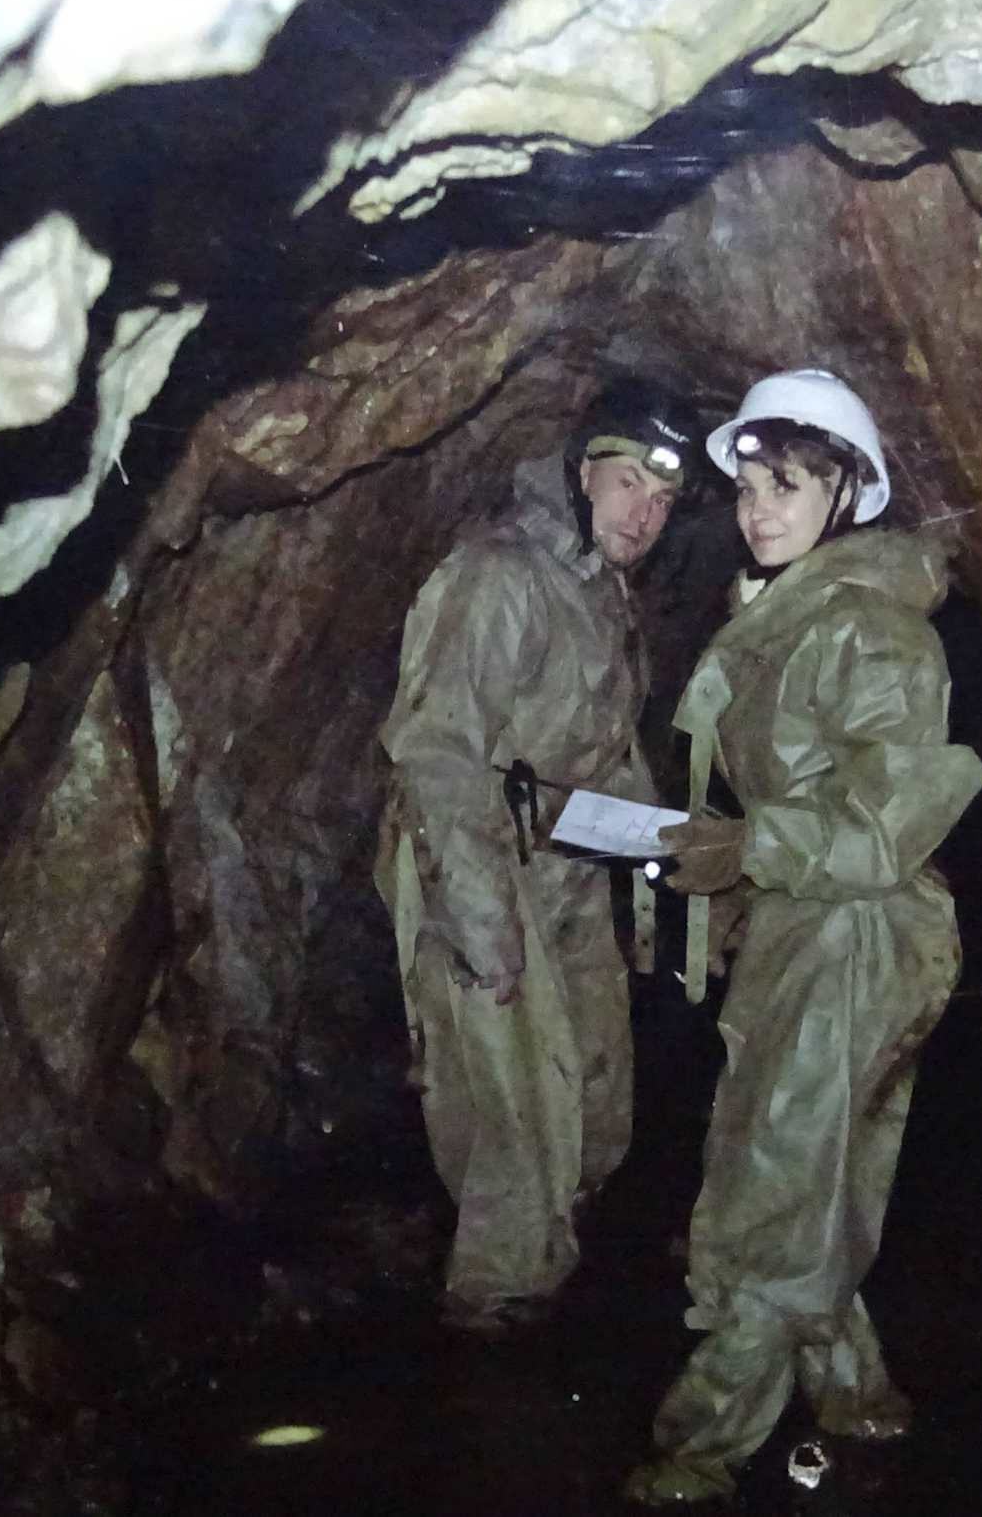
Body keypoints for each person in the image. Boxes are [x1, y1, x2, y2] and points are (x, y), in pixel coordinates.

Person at [626, 368, 982, 1503]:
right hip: (810, 923)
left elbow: (885, 824)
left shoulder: (874, 633)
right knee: (811, 1169)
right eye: (749, 487)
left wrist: (751, 848)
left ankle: (703, 1444)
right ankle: (855, 1392)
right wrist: (738, 882)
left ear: (846, 494)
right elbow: (794, 800)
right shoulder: (788, 618)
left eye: (785, 485)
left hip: (860, 935)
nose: (757, 509)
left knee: (778, 1187)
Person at [374, 381, 696, 1334]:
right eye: (628, 483)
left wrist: (669, 849)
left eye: (663, 500)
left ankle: (562, 1243)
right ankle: (494, 1310)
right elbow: (438, 755)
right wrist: (482, 926)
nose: (644, 515)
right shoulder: (499, 577)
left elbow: (604, 749)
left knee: (593, 1071)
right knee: (515, 1094)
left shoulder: (600, 588)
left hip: (564, 853)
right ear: (581, 472)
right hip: (476, 850)